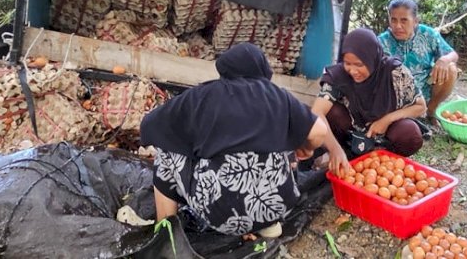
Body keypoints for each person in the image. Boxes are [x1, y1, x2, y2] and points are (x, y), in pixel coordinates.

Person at [141, 43, 332, 237]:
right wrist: (305, 147)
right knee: (286, 142)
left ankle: (165, 234)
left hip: (221, 216)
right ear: (263, 70)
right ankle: (266, 223)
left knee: (165, 148)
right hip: (278, 206)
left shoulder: (203, 95)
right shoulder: (278, 96)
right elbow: (319, 132)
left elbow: (150, 125)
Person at [311, 29, 428, 173]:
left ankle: (385, 159)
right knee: (332, 112)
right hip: (352, 131)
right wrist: (335, 149)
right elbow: (316, 112)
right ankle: (345, 150)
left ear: (372, 58)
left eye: (359, 65)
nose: (353, 71)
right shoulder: (338, 75)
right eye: (347, 63)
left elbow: (420, 106)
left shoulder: (394, 71)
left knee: (409, 133)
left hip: (386, 134)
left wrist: (386, 120)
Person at [377, 0, 460, 118]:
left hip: (425, 91)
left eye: (404, 20)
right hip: (396, 98)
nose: (398, 26)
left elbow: (453, 54)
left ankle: (430, 110)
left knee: (451, 68)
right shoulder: (381, 42)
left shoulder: (428, 34)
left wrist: (444, 60)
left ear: (415, 21)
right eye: (393, 20)